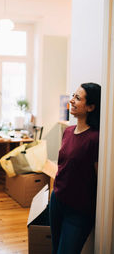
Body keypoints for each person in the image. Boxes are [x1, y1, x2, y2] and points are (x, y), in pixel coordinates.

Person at [49, 82, 101, 254]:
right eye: (73, 95)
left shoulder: (95, 138)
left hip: (79, 210)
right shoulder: (68, 131)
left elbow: (100, 179)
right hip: (57, 201)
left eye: (78, 98)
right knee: (56, 249)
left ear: (91, 107)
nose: (71, 100)